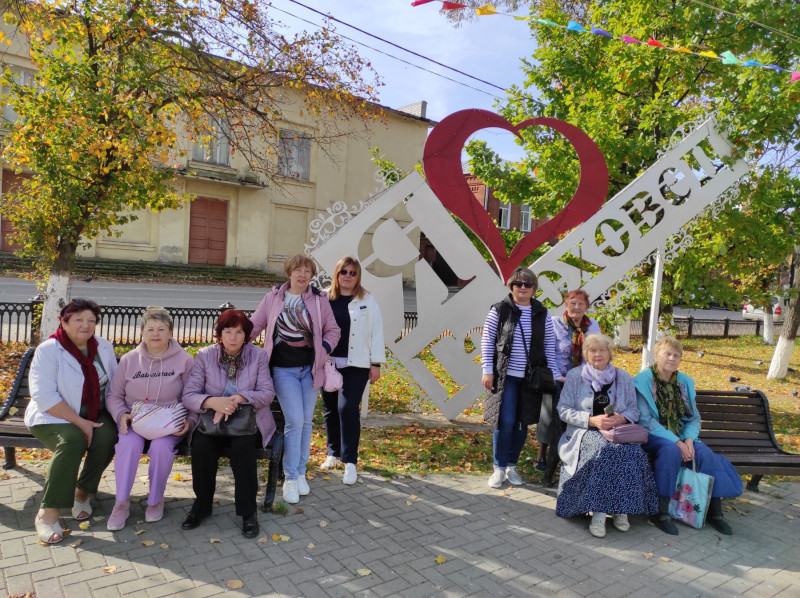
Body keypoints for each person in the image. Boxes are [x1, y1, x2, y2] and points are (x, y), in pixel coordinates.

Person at [25, 299, 118, 544]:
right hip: (53, 415)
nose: (85, 325)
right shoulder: (49, 350)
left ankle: (81, 493)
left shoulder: (103, 347)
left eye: (91, 320)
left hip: (96, 413)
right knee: (72, 441)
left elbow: (115, 385)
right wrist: (79, 421)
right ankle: (48, 514)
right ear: (64, 322)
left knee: (108, 437)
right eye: (78, 320)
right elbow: (43, 395)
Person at [250, 254, 340, 504]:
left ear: (312, 275)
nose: (302, 275)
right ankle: (290, 477)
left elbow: (334, 330)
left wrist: (323, 346)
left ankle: (300, 472)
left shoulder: (320, 300)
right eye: (298, 270)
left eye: (307, 271)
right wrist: (232, 342)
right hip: (283, 370)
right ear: (289, 272)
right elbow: (254, 326)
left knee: (306, 423)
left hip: (311, 370)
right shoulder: (273, 298)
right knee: (294, 421)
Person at [634, 336, 743, 535]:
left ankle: (714, 511)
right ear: (656, 355)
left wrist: (689, 439)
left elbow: (693, 418)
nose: (672, 358)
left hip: (683, 436)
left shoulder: (684, 383)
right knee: (670, 452)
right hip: (654, 435)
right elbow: (645, 420)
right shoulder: (643, 380)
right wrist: (677, 442)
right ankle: (660, 512)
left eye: (677, 355)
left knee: (705, 454)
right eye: (667, 353)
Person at [181, 310, 275, 538]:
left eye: (239, 332)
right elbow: (189, 395)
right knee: (202, 448)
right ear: (219, 334)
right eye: (228, 331)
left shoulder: (258, 356)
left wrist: (241, 398)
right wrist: (212, 401)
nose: (233, 337)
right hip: (212, 421)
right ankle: (202, 505)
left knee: (243, 451)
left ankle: (248, 512)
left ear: (246, 335)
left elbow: (267, 393)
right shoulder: (205, 355)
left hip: (246, 421)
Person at [556, 333, 657, 538]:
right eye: (592, 350)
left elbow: (634, 411)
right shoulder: (575, 376)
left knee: (632, 452)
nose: (598, 354)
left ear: (610, 353)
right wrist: (591, 420)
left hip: (617, 432)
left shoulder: (624, 377)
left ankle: (622, 509)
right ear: (586, 354)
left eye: (602, 350)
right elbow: (563, 410)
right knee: (605, 451)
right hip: (584, 432)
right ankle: (600, 514)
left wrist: (620, 418)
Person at [105, 307, 194, 531]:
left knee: (160, 449)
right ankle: (121, 503)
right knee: (128, 444)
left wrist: (191, 421)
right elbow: (114, 395)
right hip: (135, 420)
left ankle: (155, 500)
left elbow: (193, 395)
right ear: (142, 333)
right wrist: (121, 415)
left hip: (168, 422)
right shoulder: (129, 360)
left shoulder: (184, 360)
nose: (156, 333)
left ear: (171, 333)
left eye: (162, 329)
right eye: (150, 329)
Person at [481, 267, 559, 489]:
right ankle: (499, 467)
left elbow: (549, 348)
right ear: (511, 286)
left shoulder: (541, 313)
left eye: (528, 284)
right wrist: (487, 369)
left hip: (529, 380)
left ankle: (512, 466)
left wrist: (551, 374)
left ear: (534, 288)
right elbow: (487, 342)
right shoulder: (499, 310)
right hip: (505, 378)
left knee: (522, 424)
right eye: (518, 284)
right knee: (504, 422)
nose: (523, 288)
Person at [320, 256, 385, 485]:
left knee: (347, 408)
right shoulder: (323, 297)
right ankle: (332, 454)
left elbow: (376, 331)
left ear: (358, 277)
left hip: (356, 363)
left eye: (352, 273)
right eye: (343, 272)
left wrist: (376, 363)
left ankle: (350, 461)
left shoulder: (367, 300)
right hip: (328, 363)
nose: (347, 276)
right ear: (336, 274)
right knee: (329, 408)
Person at [536, 289, 601, 475]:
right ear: (566, 305)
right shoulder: (555, 323)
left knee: (578, 415)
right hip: (555, 377)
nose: (577, 307)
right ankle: (542, 455)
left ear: (586, 306)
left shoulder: (593, 325)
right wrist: (558, 377)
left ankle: (571, 452)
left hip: (581, 378)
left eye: (581, 304)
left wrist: (584, 377)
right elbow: (549, 353)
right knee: (549, 416)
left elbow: (594, 352)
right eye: (573, 303)